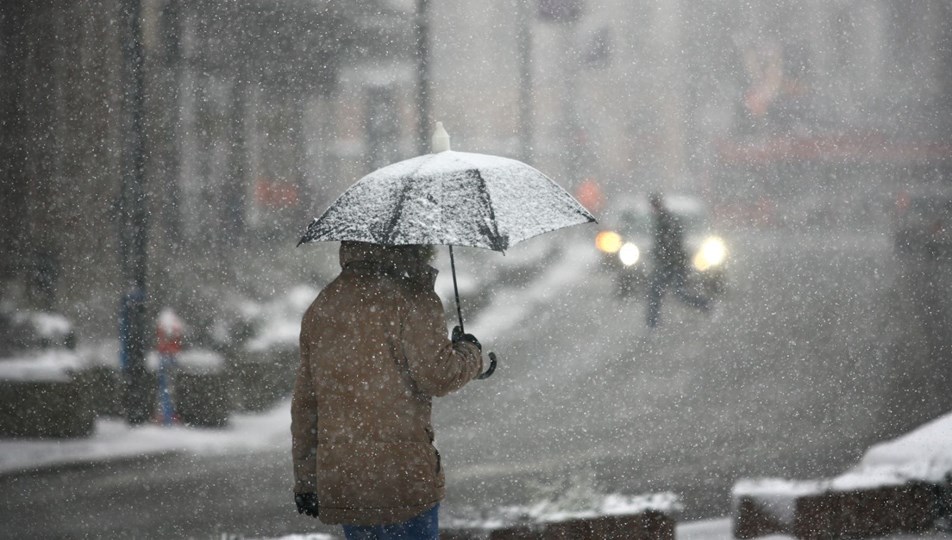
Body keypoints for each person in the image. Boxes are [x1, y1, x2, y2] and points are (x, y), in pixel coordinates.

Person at [291, 241, 484, 539]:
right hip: (403, 477)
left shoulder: (325, 303)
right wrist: (470, 352)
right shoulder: (413, 298)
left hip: (346, 478)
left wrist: (306, 480)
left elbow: (306, 404)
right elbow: (439, 375)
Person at [645, 193, 710, 328]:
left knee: (674, 293)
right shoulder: (663, 219)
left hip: (673, 264)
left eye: (654, 205)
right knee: (660, 292)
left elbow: (672, 244)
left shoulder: (666, 220)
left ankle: (705, 304)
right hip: (671, 264)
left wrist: (664, 257)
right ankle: (652, 323)